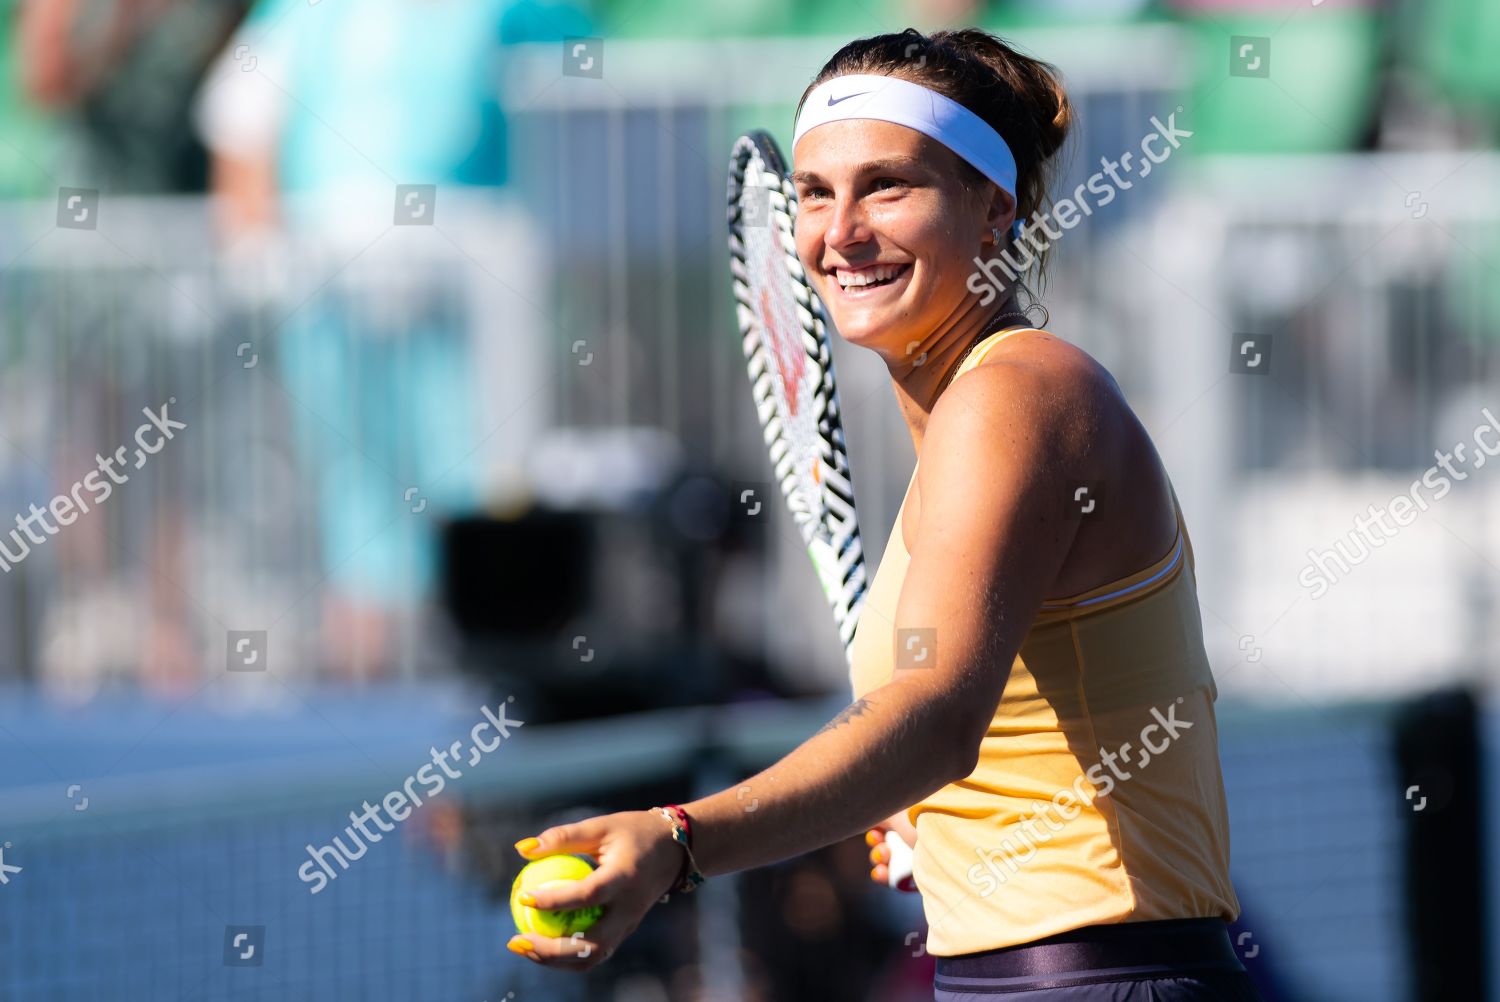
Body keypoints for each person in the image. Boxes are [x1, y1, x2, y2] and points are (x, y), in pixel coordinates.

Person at [504, 28, 1259, 1001]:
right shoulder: (971, 417)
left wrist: (680, 842)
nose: (840, 231)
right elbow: (978, 740)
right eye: (815, 193)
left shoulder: (1016, 395)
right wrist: (943, 822)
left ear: (994, 211)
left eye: (887, 186)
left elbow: (936, 717)